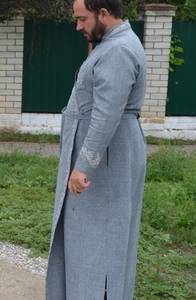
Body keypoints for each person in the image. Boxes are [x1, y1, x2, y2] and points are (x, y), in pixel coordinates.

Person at [45, 0, 147, 299]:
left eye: (82, 19)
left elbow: (106, 115)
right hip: (108, 155)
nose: (78, 26)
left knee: (101, 239)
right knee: (88, 235)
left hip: (106, 160)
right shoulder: (112, 44)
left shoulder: (118, 51)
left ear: (103, 13)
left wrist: (83, 165)